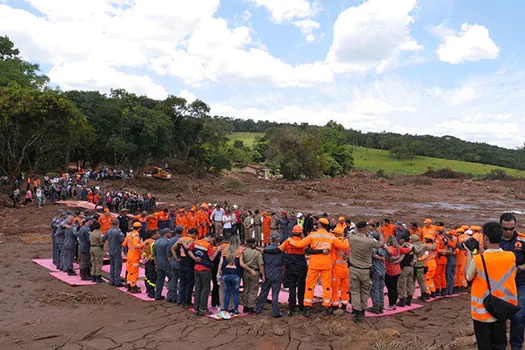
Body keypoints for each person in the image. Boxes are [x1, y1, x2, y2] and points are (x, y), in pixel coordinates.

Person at [467, 222, 518, 350]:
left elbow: (468, 276)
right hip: (502, 310)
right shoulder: (510, 257)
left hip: (482, 313)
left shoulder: (478, 259)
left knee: (484, 346)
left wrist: (469, 253)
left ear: (485, 238)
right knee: (500, 345)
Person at [287, 217, 349, 317]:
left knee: (310, 285)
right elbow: (343, 247)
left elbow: (299, 245)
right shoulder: (331, 237)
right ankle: (326, 306)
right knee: (326, 286)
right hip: (326, 265)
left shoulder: (313, 235)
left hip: (314, 264)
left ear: (319, 224)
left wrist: (291, 240)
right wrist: (345, 239)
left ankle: (307, 306)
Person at [348, 221, 384, 322]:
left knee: (355, 291)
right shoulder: (369, 241)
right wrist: (380, 233)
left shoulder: (352, 238)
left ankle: (357, 312)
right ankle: (363, 310)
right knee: (364, 291)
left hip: (354, 268)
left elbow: (351, 233)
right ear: (364, 229)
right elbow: (381, 244)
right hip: (365, 270)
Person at [499, 213, 525, 350]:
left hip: (520, 283)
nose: (508, 232)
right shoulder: (494, 240)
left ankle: (516, 346)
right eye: (505, 229)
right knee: (499, 317)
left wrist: (519, 268)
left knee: (518, 316)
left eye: (511, 228)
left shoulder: (523, 240)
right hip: (500, 285)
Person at [279, 225, 307, 316]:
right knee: (301, 288)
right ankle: (301, 307)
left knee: (292, 288)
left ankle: (291, 309)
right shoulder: (303, 242)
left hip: (290, 268)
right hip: (301, 268)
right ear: (301, 233)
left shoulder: (287, 242)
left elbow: (279, 250)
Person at [218, 236, 249, 319]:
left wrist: (218, 273)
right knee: (235, 293)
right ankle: (235, 310)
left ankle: (225, 309)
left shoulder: (224, 252)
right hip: (236, 275)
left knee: (227, 292)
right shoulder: (239, 252)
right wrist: (250, 270)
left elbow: (220, 264)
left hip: (225, 274)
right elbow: (242, 264)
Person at [188, 232, 217, 315]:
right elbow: (211, 258)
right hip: (205, 269)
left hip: (196, 268)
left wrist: (194, 258)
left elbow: (189, 250)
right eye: (212, 239)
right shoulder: (207, 245)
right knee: (205, 289)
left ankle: (196, 308)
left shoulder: (196, 242)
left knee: (197, 289)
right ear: (210, 237)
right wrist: (217, 250)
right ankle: (203, 308)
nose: (212, 241)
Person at [256, 232, 284, 318]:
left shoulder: (265, 250)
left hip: (267, 273)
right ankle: (275, 312)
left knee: (264, 292)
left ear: (271, 239)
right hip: (277, 273)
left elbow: (261, 262)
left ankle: (258, 309)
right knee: (275, 294)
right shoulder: (281, 250)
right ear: (278, 240)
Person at [175, 228, 196, 307]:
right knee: (189, 284)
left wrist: (177, 258)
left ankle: (181, 300)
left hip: (182, 263)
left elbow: (172, 248)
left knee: (182, 283)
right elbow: (188, 249)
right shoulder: (192, 241)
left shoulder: (180, 239)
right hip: (189, 264)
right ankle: (187, 302)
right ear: (193, 234)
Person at [241, 238, 264, 314]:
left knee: (246, 288)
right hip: (255, 272)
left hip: (245, 271)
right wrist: (263, 275)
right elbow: (261, 265)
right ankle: (251, 306)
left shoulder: (244, 252)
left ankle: (245, 306)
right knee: (253, 290)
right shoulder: (257, 253)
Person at [331, 226, 350, 312]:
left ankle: (335, 305)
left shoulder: (333, 242)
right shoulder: (346, 241)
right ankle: (344, 304)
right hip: (345, 269)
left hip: (336, 269)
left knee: (335, 289)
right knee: (345, 288)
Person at [412, 234, 436, 301]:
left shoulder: (421, 246)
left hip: (423, 265)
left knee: (423, 280)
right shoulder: (429, 246)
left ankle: (426, 294)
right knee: (429, 279)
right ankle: (432, 292)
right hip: (432, 263)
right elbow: (434, 247)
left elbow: (425, 255)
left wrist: (418, 259)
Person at [122, 222, 144, 293]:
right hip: (135, 255)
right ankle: (133, 286)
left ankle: (128, 284)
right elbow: (136, 245)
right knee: (134, 271)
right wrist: (143, 244)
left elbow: (124, 244)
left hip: (129, 254)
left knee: (129, 270)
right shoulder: (136, 235)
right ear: (139, 228)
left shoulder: (129, 234)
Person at [103, 219, 125, 287]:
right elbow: (123, 241)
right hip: (117, 250)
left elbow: (103, 239)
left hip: (110, 250)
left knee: (112, 265)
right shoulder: (118, 231)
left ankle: (112, 280)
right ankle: (117, 281)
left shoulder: (108, 231)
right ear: (118, 224)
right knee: (117, 266)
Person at [369, 231, 387, 314]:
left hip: (376, 270)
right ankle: (381, 307)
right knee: (380, 290)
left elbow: (373, 255)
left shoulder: (373, 247)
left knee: (375, 290)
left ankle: (375, 307)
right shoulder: (383, 247)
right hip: (383, 270)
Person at [396, 232, 416, 307]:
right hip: (411, 267)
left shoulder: (404, 247)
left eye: (401, 239)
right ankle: (409, 299)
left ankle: (402, 300)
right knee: (410, 283)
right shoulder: (412, 246)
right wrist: (414, 261)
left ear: (403, 239)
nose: (400, 240)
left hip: (404, 267)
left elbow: (402, 257)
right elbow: (414, 256)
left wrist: (395, 262)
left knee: (401, 283)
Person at [153, 228, 173, 301]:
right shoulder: (168, 242)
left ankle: (157, 295)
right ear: (166, 233)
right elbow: (169, 255)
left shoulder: (156, 242)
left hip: (159, 263)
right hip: (167, 264)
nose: (171, 234)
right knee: (171, 279)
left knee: (159, 280)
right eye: (169, 233)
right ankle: (170, 296)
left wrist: (156, 264)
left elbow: (154, 255)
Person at [385, 235, 403, 310]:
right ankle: (393, 304)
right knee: (394, 288)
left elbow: (391, 253)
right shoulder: (397, 248)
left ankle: (391, 304)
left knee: (391, 289)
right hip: (397, 270)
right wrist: (398, 258)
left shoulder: (390, 248)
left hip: (390, 271)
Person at [167, 226, 183, 303]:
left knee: (173, 280)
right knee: (182, 281)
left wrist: (171, 261)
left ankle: (172, 297)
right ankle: (180, 299)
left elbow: (168, 253)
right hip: (181, 263)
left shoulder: (171, 240)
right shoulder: (182, 240)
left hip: (173, 262)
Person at [142, 231, 158, 299]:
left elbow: (143, 251)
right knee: (153, 277)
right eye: (157, 234)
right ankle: (152, 292)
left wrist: (145, 258)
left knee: (147, 275)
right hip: (151, 261)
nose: (158, 235)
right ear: (153, 235)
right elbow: (154, 253)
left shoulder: (146, 241)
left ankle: (148, 289)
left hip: (146, 261)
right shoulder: (154, 243)